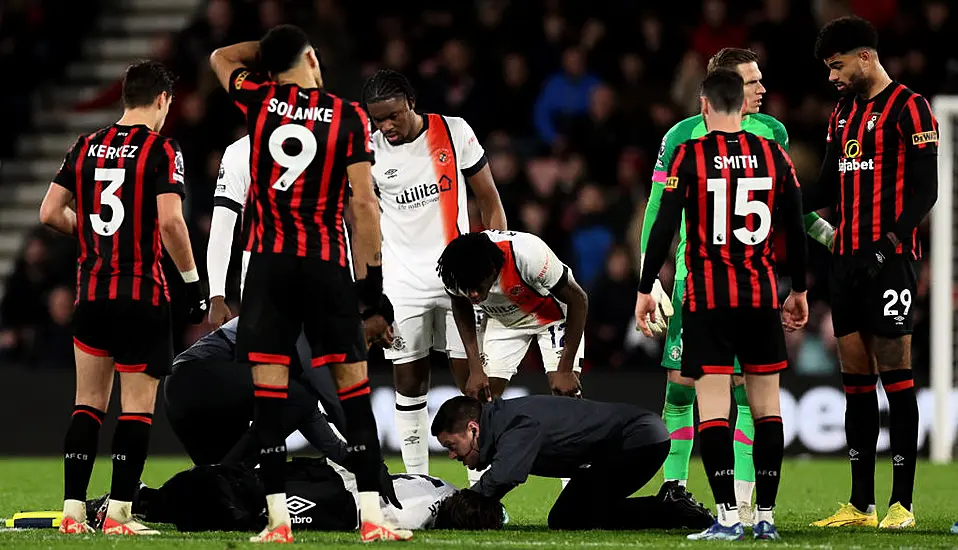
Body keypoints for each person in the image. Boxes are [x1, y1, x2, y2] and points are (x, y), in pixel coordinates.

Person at [210, 25, 408, 542]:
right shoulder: (348, 116)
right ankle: (371, 517)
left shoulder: (258, 98)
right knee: (355, 392)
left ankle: (278, 523)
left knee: (269, 399)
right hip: (323, 265)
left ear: (272, 68)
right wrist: (372, 289)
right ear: (313, 59)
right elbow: (363, 206)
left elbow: (219, 56)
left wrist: (268, 56)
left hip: (269, 268)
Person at [639, 47, 835, 524]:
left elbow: (788, 209)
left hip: (710, 286)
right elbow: (656, 212)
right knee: (685, 389)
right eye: (752, 82)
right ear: (724, 87)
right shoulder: (680, 137)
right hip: (725, 282)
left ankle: (739, 504)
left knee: (736, 396)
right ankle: (678, 490)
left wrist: (826, 233)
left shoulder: (766, 134)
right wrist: (657, 278)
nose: (762, 90)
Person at [38, 60, 210, 535]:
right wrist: (195, 284)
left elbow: (50, 211)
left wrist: (93, 237)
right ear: (162, 100)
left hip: (91, 294)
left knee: (87, 404)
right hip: (141, 296)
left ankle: (72, 513)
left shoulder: (86, 145)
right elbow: (172, 222)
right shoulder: (161, 149)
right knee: (135, 409)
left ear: (124, 98)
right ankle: (118, 514)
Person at [806, 16, 938, 530]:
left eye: (837, 65)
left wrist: (885, 248)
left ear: (865, 56)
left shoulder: (911, 107)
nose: (832, 77)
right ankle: (861, 505)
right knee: (855, 382)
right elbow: (823, 190)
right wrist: (777, 195)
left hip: (891, 262)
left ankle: (901, 505)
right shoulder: (841, 114)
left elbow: (926, 190)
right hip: (845, 262)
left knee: (896, 378)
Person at [361, 69, 507, 479]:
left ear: (410, 102)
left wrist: (494, 261)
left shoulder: (453, 132)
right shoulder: (369, 153)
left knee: (474, 384)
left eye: (392, 116)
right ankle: (417, 481)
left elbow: (489, 200)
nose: (385, 126)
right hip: (401, 285)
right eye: (377, 119)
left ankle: (481, 485)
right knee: (408, 386)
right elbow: (363, 223)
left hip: (457, 281)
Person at [430, 395, 714, 531]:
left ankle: (669, 507)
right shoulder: (504, 420)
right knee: (568, 517)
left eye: (452, 446)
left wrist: (456, 508)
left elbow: (503, 476)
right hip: (625, 442)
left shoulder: (512, 423)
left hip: (637, 440)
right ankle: (670, 506)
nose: (453, 456)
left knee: (572, 516)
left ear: (472, 429)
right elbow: (500, 477)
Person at [437, 230, 588, 400]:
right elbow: (461, 308)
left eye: (477, 287)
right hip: (503, 320)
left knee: (564, 392)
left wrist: (565, 369)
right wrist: (476, 368)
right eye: (467, 289)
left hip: (551, 316)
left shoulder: (528, 255)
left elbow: (579, 300)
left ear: (493, 270)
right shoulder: (455, 272)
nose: (473, 295)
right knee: (482, 398)